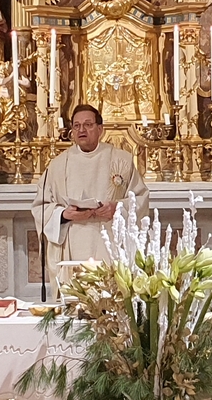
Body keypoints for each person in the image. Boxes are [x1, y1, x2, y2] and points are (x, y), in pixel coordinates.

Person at [32, 104, 148, 293]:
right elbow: (41, 207)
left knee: (110, 298)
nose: (81, 130)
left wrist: (117, 208)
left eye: (88, 124)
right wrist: (63, 215)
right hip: (73, 242)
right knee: (76, 299)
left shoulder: (121, 160)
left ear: (100, 129)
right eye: (76, 126)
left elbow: (140, 198)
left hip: (110, 240)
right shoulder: (58, 165)